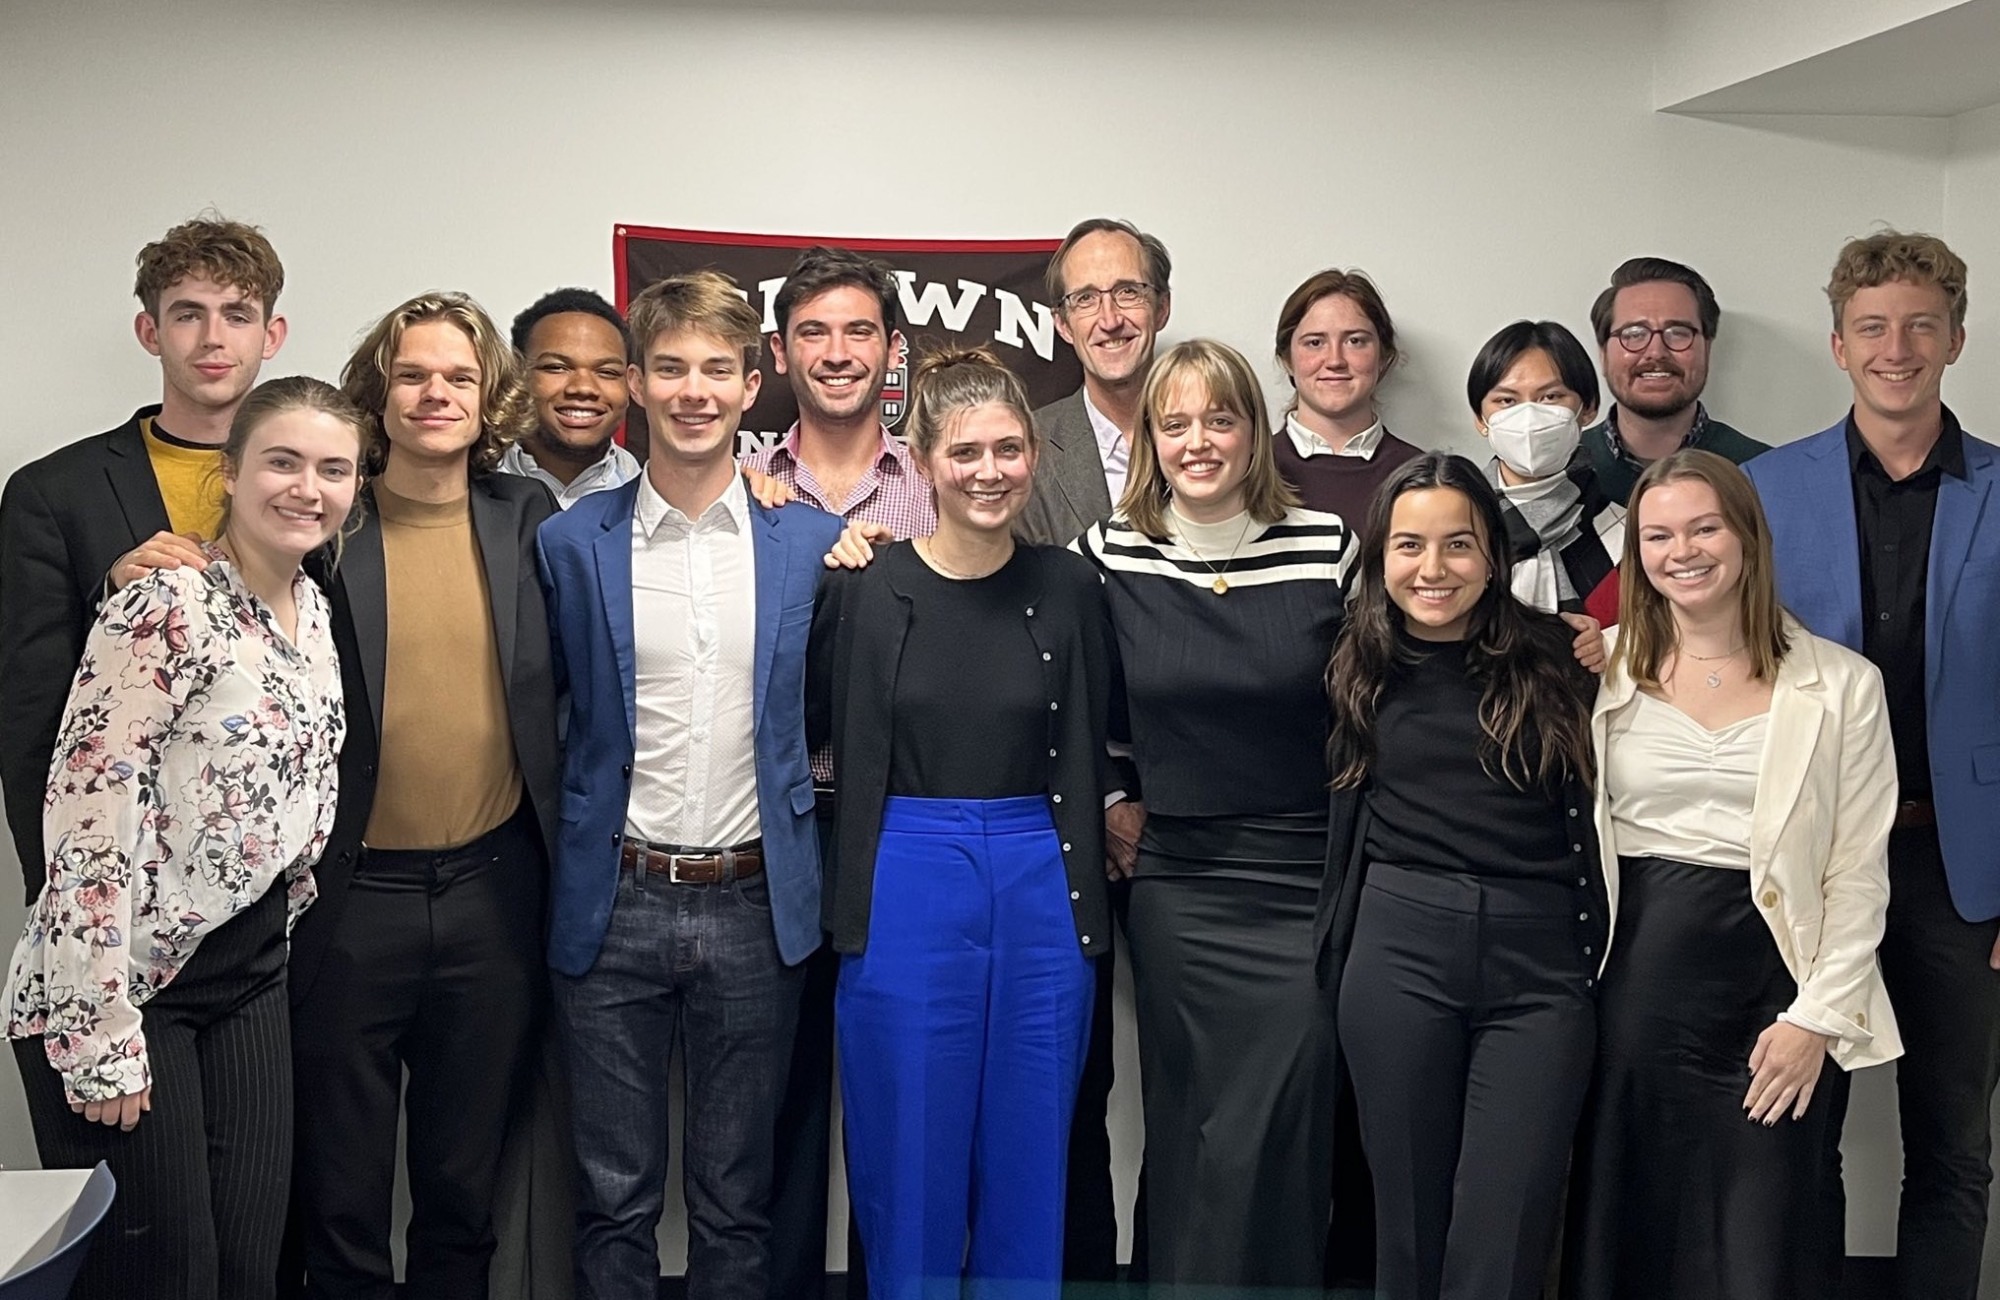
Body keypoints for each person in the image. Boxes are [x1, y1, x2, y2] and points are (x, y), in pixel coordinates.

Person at [5, 375, 359, 1300]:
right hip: (131, 988)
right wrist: (97, 1032)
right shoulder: (164, 605)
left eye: (333, 469)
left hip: (246, 977)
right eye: (282, 461)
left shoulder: (313, 614)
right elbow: (85, 814)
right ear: (232, 472)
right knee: (165, 1279)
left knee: (247, 1271)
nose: (306, 488)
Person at [537, 269, 842, 1300]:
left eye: (717, 367)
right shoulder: (570, 543)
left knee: (734, 1199)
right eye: (669, 367)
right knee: (613, 1199)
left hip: (758, 903)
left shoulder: (806, 541)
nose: (693, 390)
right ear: (635, 382)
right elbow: (551, 714)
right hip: (613, 898)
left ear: (752, 383)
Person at [806, 345, 1115, 1300]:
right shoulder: (861, 586)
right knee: (911, 1150)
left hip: (1043, 877)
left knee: (1030, 1149)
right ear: (927, 460)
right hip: (903, 872)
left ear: (1035, 457)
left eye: (1011, 449)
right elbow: (812, 732)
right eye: (968, 451)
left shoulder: (1071, 585)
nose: (990, 471)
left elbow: (1104, 740)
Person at [1564, 449, 1901, 1300]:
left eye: (1705, 527)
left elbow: (1858, 872)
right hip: (1635, 994)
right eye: (1659, 534)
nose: (1684, 550)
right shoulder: (1604, 672)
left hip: (1775, 1001)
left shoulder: (1844, 685)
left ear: (1748, 535)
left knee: (1765, 1241)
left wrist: (1817, 1019)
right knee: (1630, 1228)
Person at [290, 292, 562, 1298]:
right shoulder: (325, 519)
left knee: (462, 1189)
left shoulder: (524, 514)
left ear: (487, 394)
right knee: (342, 1192)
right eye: (412, 375)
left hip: (495, 892)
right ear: (379, 391)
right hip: (352, 900)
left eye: (456, 376)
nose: (434, 393)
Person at [1745, 230, 2000, 1300]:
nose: (1895, 347)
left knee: (1948, 1143)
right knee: (1794, 1126)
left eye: (1917, 326)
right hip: (1806, 861)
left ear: (1952, 337)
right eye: (1871, 328)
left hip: (1960, 870)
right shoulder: (1761, 486)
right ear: (1837, 344)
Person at [1072, 338, 1352, 1289]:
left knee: (1288, 1118)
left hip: (1305, 881)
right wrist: (1113, 802)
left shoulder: (1326, 545)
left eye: (1220, 418)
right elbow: (1077, 710)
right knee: (1192, 1122)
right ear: (1150, 436)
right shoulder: (1107, 552)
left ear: (1254, 430)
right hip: (1180, 884)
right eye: (1175, 422)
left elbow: (1377, 708)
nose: (1199, 441)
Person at [1317, 452, 1607, 1300]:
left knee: (1508, 1223)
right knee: (1405, 1221)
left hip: (1542, 966)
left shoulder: (1561, 654)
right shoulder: (1350, 662)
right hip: (1399, 950)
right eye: (1409, 546)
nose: (1433, 570)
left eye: (1459, 545)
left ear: (1494, 556)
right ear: (1379, 557)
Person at [0, 214, 287, 904]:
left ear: (271, 336)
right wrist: (58, 887)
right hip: (123, 867)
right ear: (150, 333)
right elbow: (30, 713)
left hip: (276, 865)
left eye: (237, 314)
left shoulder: (321, 483)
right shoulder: (53, 493)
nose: (214, 338)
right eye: (188, 315)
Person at [1012, 215, 1173, 1283]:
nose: (1108, 315)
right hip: (1062, 797)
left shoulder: (1218, 423)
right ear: (1060, 320)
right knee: (1067, 1074)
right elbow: (1015, 644)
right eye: (1084, 298)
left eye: (1127, 293)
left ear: (1160, 304)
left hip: (1210, 808)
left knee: (1203, 1069)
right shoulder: (1025, 444)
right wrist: (1106, 787)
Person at [1467, 319, 1624, 625]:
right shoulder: (1455, 525)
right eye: (1506, 401)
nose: (1528, 416)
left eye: (1550, 397)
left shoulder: (1629, 533)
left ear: (1588, 408)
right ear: (1481, 419)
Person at [1583, 258, 1768, 503]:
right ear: (1603, 353)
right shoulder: (1558, 471)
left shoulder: (1764, 472)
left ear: (1707, 348)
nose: (1656, 352)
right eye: (1634, 334)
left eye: (1678, 333)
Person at [1271, 266, 1424, 531]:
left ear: (1384, 356)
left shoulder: (1422, 475)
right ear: (1287, 359)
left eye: (1355, 341)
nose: (1335, 361)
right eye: (1315, 343)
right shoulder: (1248, 470)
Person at [502, 287, 640, 507]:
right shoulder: (467, 486)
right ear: (516, 375)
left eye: (607, 372)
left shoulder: (648, 495)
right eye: (557, 367)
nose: (583, 387)